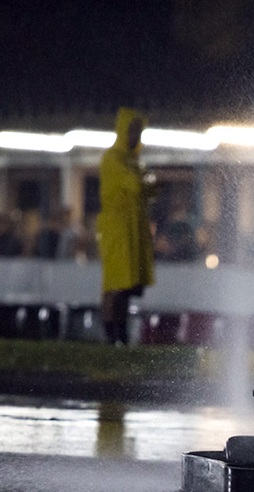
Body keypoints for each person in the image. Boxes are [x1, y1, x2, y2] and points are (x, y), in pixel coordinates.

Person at [96, 108, 156, 345]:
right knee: (115, 284)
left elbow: (150, 188)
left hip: (133, 232)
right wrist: (145, 179)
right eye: (132, 130)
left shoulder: (133, 161)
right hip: (117, 232)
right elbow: (138, 185)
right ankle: (111, 334)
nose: (135, 135)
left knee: (128, 286)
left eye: (138, 131)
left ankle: (121, 332)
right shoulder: (113, 158)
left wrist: (145, 180)